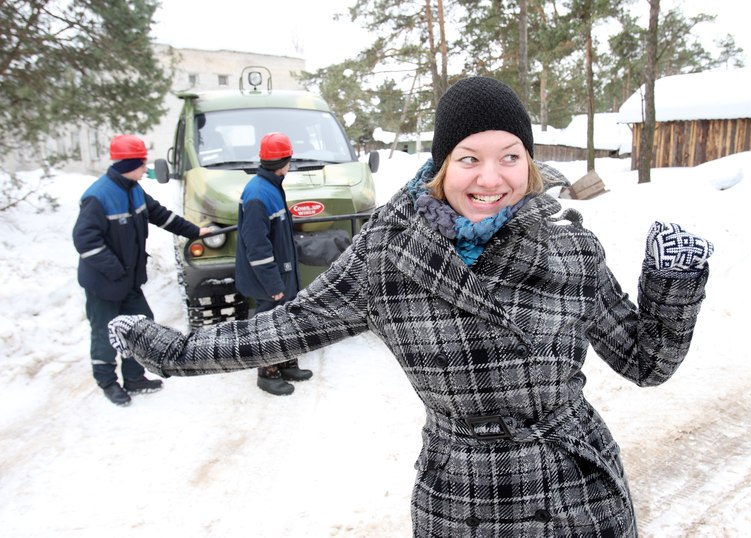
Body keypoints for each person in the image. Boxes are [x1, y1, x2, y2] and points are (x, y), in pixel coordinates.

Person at [108, 77, 713, 536]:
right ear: (441, 164)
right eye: (469, 157)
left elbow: (646, 361)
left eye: (511, 156)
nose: (490, 176)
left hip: (577, 490)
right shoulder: (388, 257)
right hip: (464, 498)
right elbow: (286, 328)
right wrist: (170, 349)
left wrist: (674, 281)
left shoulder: (570, 247)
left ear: (530, 164)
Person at [73, 134, 213, 407]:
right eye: (142, 162)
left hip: (128, 281)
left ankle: (135, 378)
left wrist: (195, 231)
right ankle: (108, 383)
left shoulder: (133, 189)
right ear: (130, 164)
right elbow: (85, 241)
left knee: (140, 326)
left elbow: (161, 215)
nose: (145, 167)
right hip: (104, 283)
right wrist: (116, 269)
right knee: (105, 333)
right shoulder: (98, 196)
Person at [235, 132, 313, 395]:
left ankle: (286, 362)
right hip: (268, 278)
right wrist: (272, 283)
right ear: (286, 161)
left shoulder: (270, 186)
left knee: (286, 318)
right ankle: (267, 373)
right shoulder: (258, 194)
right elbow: (256, 246)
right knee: (268, 324)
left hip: (281, 272)